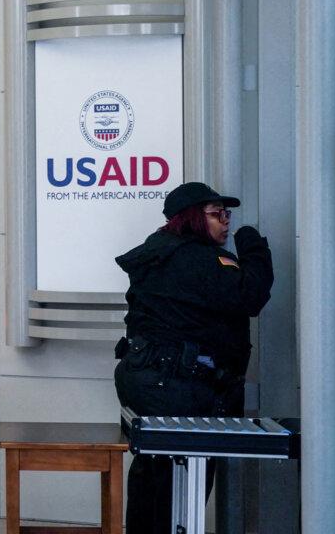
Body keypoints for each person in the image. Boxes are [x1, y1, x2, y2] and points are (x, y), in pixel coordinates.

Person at [113, 181, 274, 533]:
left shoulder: (158, 252)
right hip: (177, 386)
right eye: (217, 214)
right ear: (192, 219)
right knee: (180, 484)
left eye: (227, 214)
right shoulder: (198, 258)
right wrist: (253, 246)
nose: (226, 222)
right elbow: (249, 296)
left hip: (149, 378)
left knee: (153, 475)